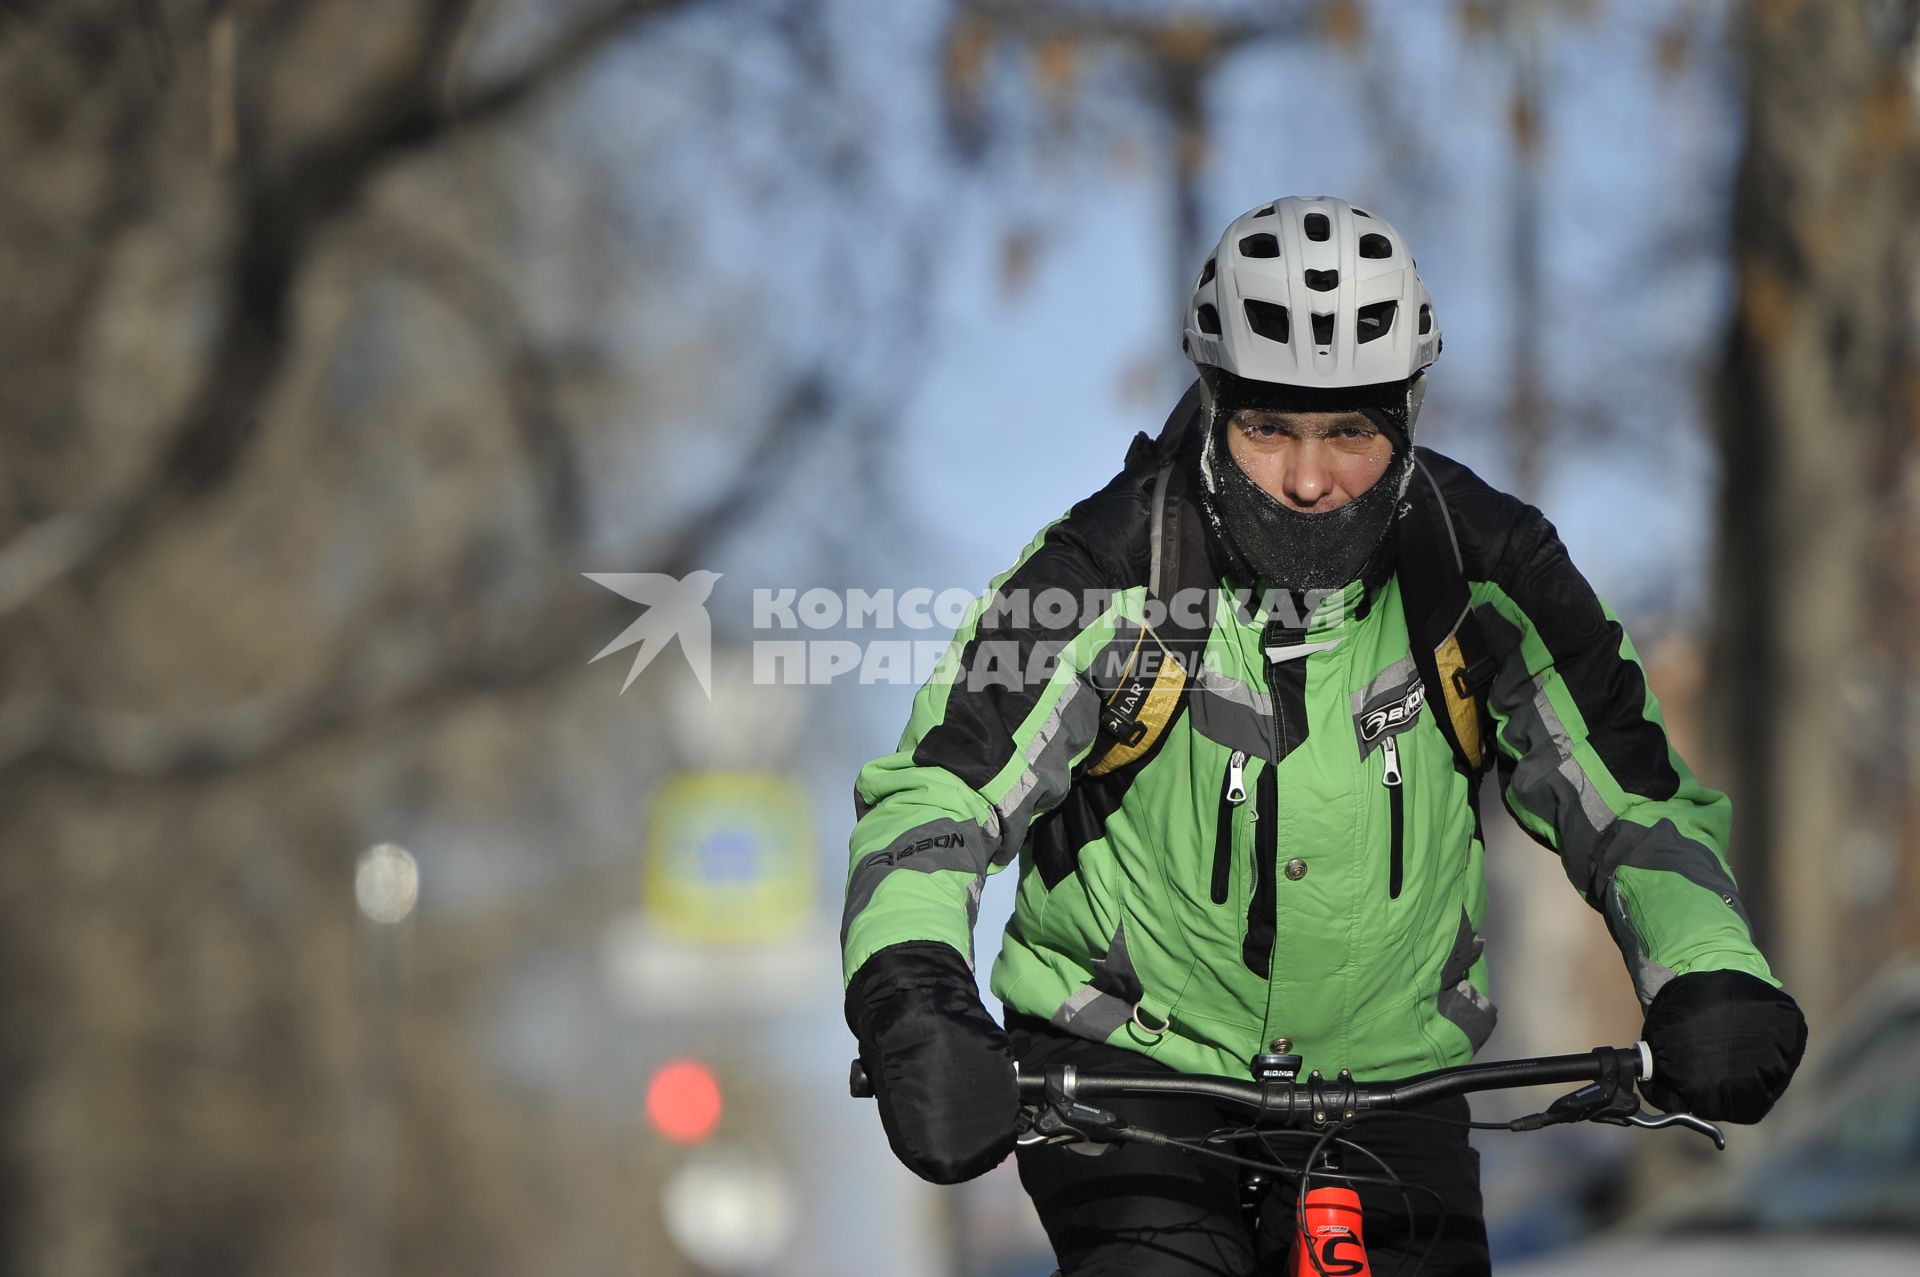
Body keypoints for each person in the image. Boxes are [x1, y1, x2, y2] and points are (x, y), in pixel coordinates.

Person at [840, 196, 1806, 1276]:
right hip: (1135, 1080)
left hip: (1395, 1088)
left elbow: (1632, 802)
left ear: (1407, 414)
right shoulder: (1104, 569)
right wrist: (913, 996)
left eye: (1349, 430)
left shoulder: (1487, 571)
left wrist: (1707, 971)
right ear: (1214, 409)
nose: (1309, 480)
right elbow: (938, 798)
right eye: (1270, 429)